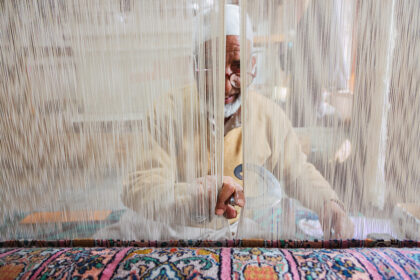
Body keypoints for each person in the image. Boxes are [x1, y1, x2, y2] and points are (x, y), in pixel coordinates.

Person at [96, 4, 354, 241]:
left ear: (253, 66)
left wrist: (328, 202)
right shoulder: (168, 110)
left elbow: (298, 172)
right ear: (194, 65)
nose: (224, 85)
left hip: (237, 232)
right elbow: (139, 186)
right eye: (211, 66)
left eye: (238, 66)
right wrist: (191, 196)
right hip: (171, 229)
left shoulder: (270, 117)